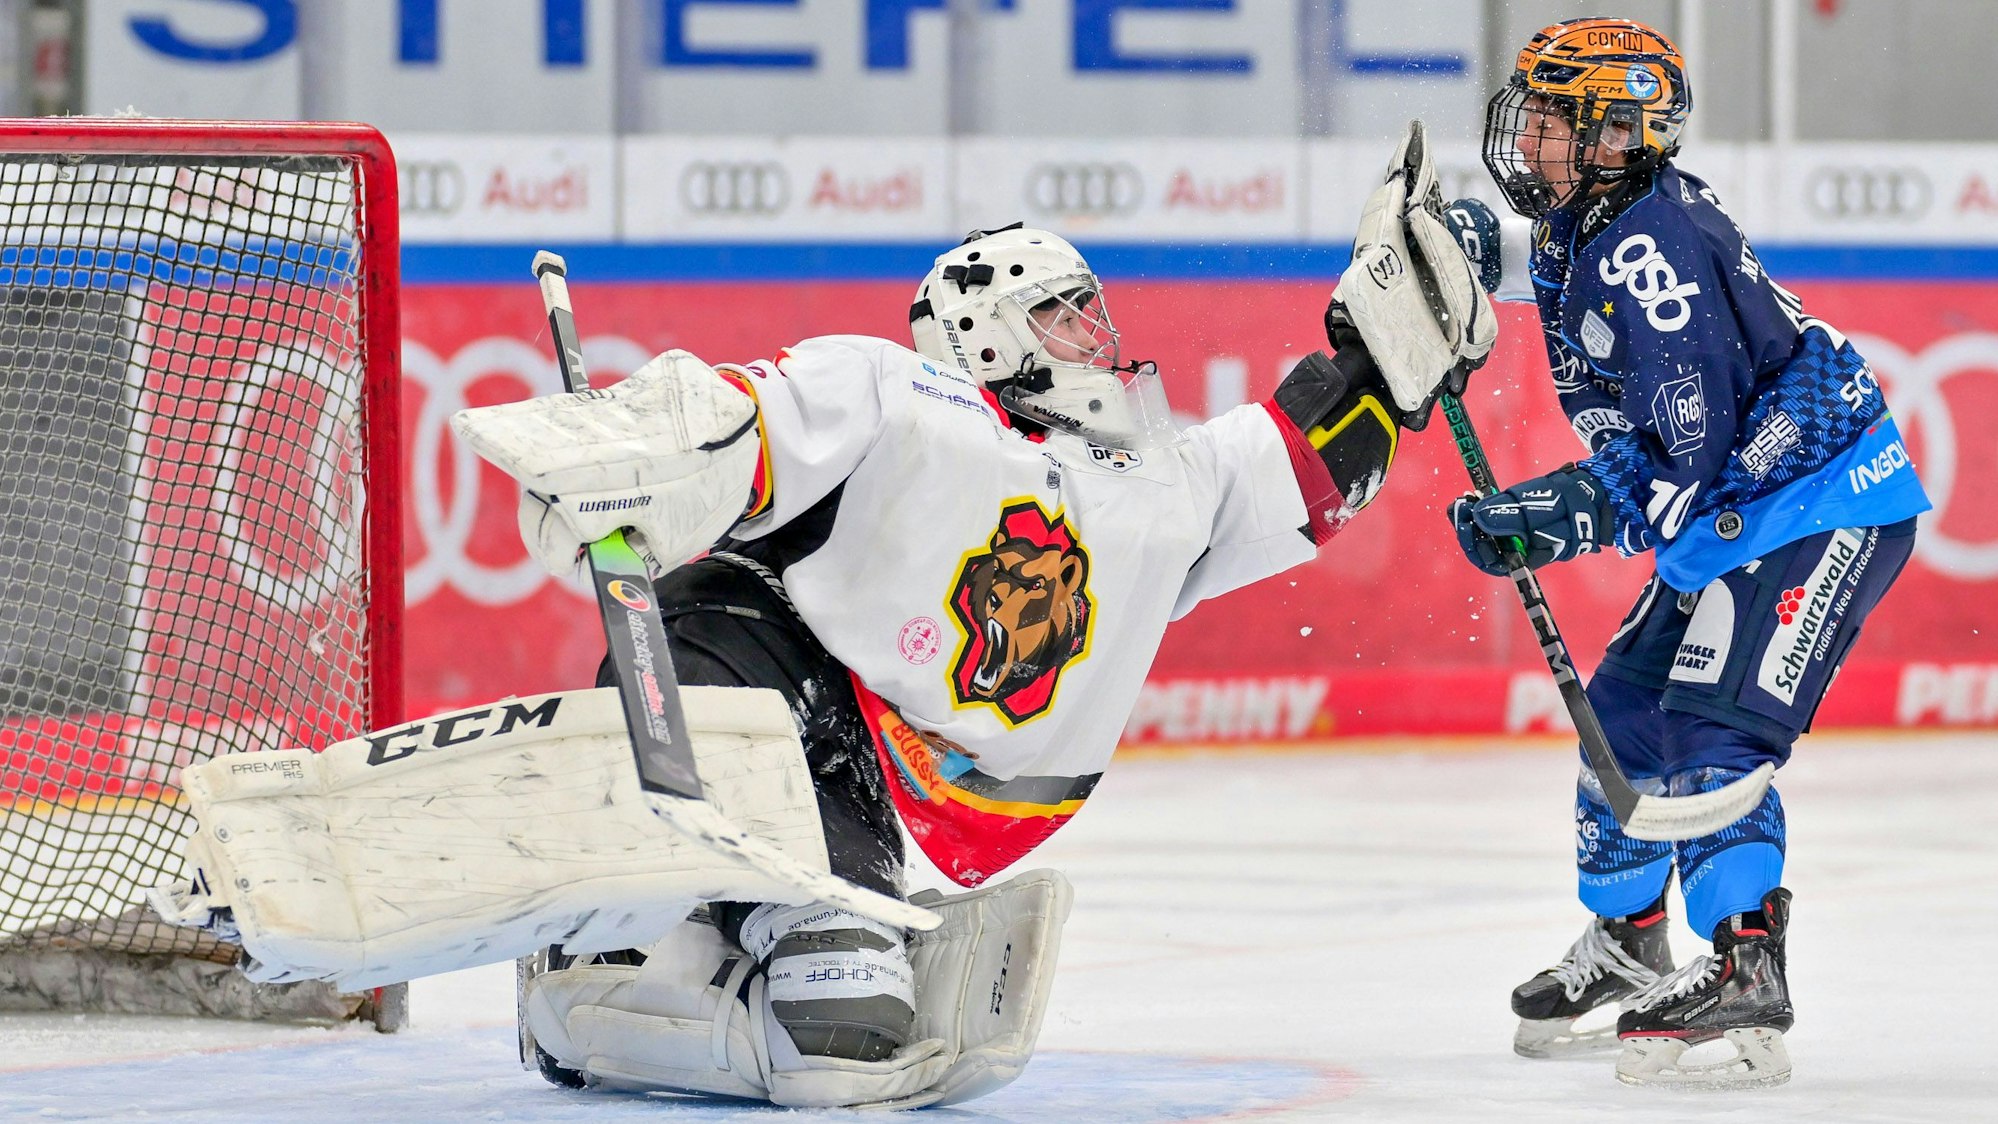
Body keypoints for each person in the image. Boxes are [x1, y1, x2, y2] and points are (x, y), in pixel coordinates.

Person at [451, 218, 1486, 1108]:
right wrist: (627, 462)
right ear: (984, 335)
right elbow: (736, 423)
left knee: (842, 1031)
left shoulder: (1157, 487)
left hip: (887, 782)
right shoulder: (899, 395)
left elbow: (1301, 462)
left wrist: (1384, 351)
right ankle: (636, 925)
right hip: (778, 702)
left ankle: (644, 961)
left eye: (1092, 309)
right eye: (1061, 312)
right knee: (715, 626)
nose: (1097, 333)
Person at [1453, 17, 1931, 1089]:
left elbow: (1687, 457)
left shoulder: (1647, 244)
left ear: (1616, 134)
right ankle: (1630, 941)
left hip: (1817, 501)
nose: (1525, 142)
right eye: (1528, 116)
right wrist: (1457, 270)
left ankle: (1748, 964)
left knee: (1709, 726)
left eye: (1550, 122)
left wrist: (1561, 510)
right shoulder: (1581, 222)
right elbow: (1593, 349)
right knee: (1624, 717)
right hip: (1741, 507)